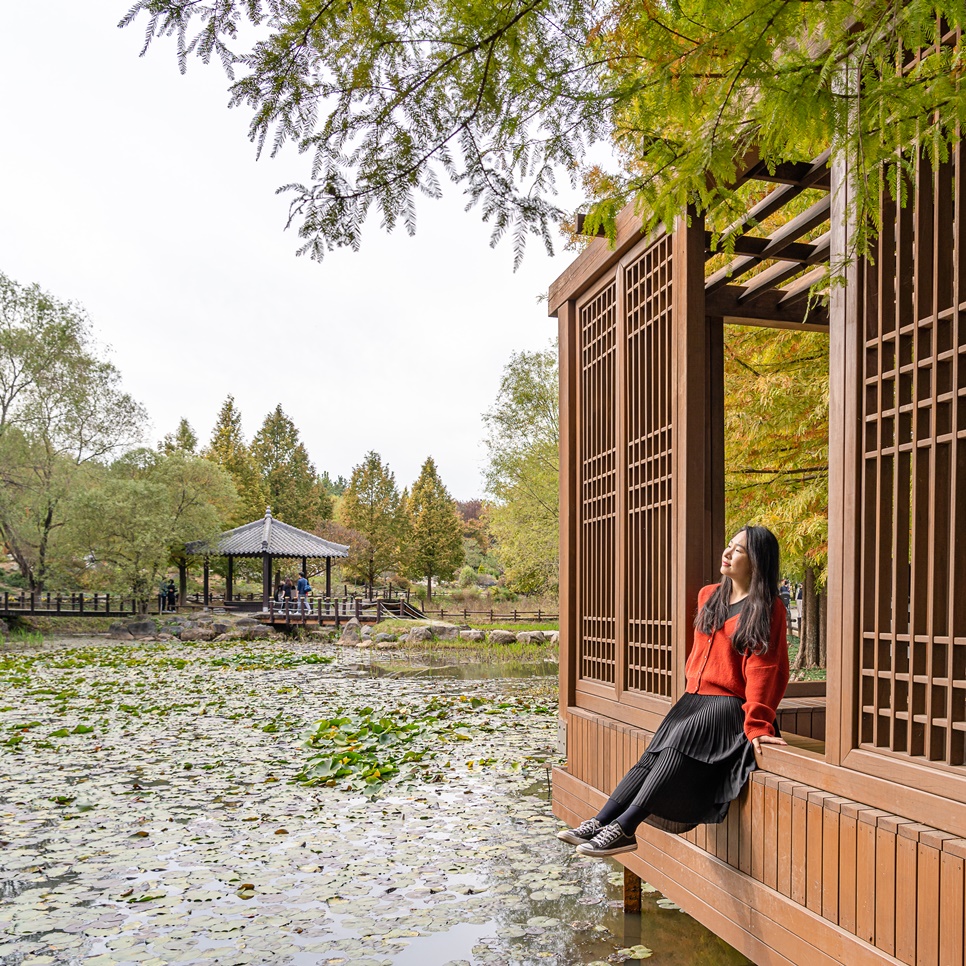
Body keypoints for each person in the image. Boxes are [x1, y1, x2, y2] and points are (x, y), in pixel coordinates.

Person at [558, 525, 789, 857]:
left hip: (727, 706)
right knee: (652, 757)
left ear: (757, 561)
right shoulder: (710, 595)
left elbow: (766, 670)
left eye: (738, 550)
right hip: (693, 701)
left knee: (672, 751)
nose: (727, 553)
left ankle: (624, 828)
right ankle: (601, 820)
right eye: (729, 545)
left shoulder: (767, 608)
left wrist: (757, 724)